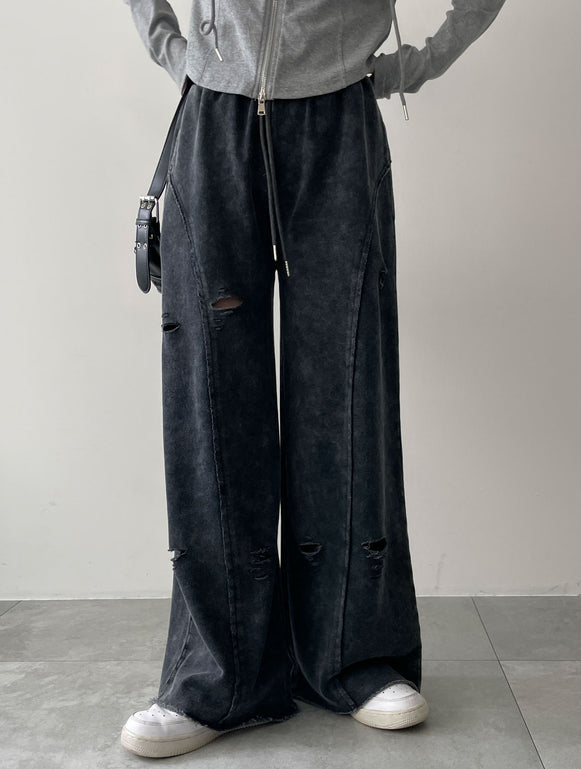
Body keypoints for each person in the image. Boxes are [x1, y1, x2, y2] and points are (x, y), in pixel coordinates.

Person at [119, 0, 506, 758]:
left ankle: (353, 659)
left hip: (337, 123)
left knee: (346, 386)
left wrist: (416, 64)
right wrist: (175, 51)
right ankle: (216, 675)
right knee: (211, 396)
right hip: (214, 119)